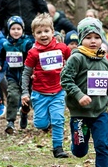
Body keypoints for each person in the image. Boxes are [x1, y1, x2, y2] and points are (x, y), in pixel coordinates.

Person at [60, 18, 108, 167]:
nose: (93, 41)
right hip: (80, 113)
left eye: (97, 37)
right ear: (81, 40)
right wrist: (79, 95)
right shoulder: (77, 58)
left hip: (100, 112)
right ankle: (77, 141)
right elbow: (65, 79)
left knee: (102, 144)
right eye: (89, 37)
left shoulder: (104, 61)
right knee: (79, 151)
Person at [21, 13, 71, 158]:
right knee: (40, 124)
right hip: (39, 93)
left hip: (58, 91)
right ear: (34, 35)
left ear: (52, 31)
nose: (43, 35)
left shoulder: (62, 48)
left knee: (58, 120)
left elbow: (73, 60)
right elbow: (26, 73)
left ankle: (58, 148)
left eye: (46, 31)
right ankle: (44, 121)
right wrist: (25, 92)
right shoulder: (33, 53)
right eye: (39, 32)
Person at [0, 16, 34, 133]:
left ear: (22, 29)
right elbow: (1, 57)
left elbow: (33, 57)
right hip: (12, 75)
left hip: (26, 76)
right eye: (13, 29)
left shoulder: (27, 43)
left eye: (18, 28)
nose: (16, 31)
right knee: (12, 96)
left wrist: (33, 71)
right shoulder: (5, 44)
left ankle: (24, 113)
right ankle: (10, 122)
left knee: (28, 99)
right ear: (9, 30)